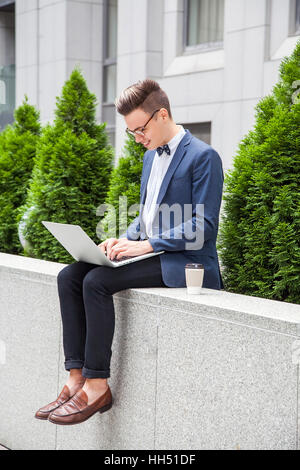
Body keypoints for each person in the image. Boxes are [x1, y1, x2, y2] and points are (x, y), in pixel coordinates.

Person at [34, 78, 224, 426]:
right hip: (151, 253)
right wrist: (121, 240)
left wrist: (146, 245)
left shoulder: (204, 157)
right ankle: (75, 376)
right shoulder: (152, 158)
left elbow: (204, 226)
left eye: (140, 130)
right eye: (132, 132)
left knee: (97, 281)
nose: (138, 139)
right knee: (69, 276)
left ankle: (97, 385)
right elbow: (147, 215)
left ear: (162, 114)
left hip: (186, 262)